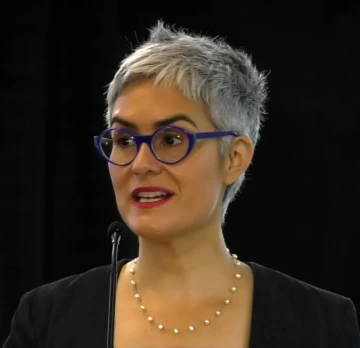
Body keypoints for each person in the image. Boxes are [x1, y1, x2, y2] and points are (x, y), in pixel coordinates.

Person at [3, 21, 360, 348]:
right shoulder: (46, 319)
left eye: (171, 139)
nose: (141, 165)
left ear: (234, 157)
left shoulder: (323, 325)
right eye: (125, 140)